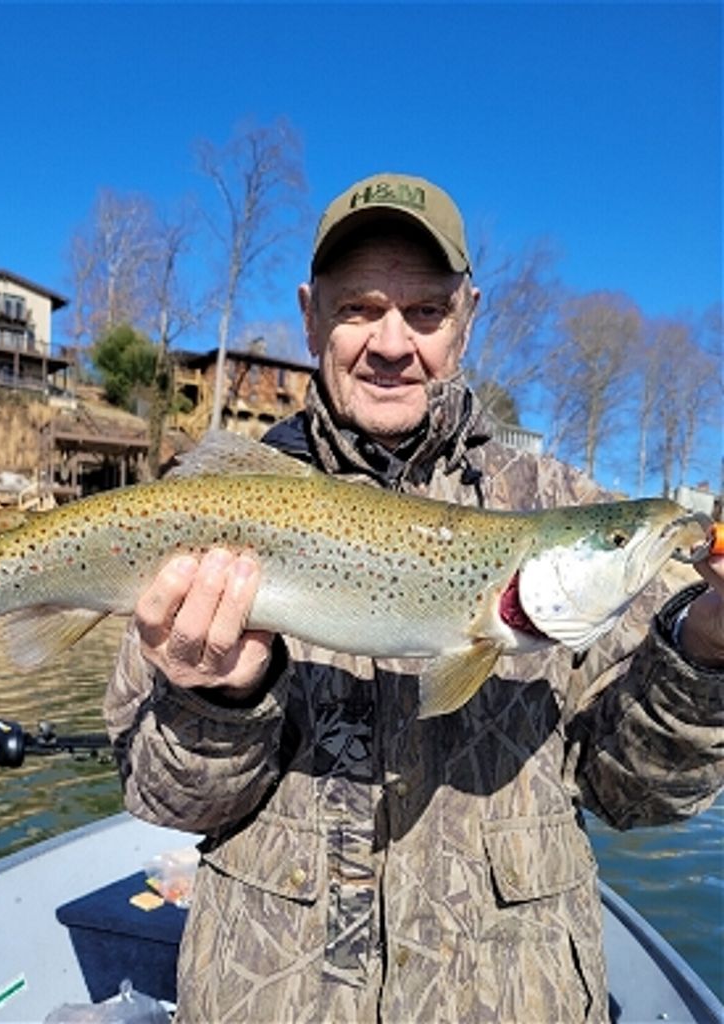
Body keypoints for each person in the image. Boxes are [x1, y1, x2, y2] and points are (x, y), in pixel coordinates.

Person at [104, 172, 724, 1023]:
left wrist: (706, 648)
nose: (392, 343)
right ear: (309, 314)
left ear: (466, 318)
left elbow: (638, 798)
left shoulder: (548, 496)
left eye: (425, 313)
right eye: (359, 308)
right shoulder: (216, 509)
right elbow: (164, 800)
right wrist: (218, 695)